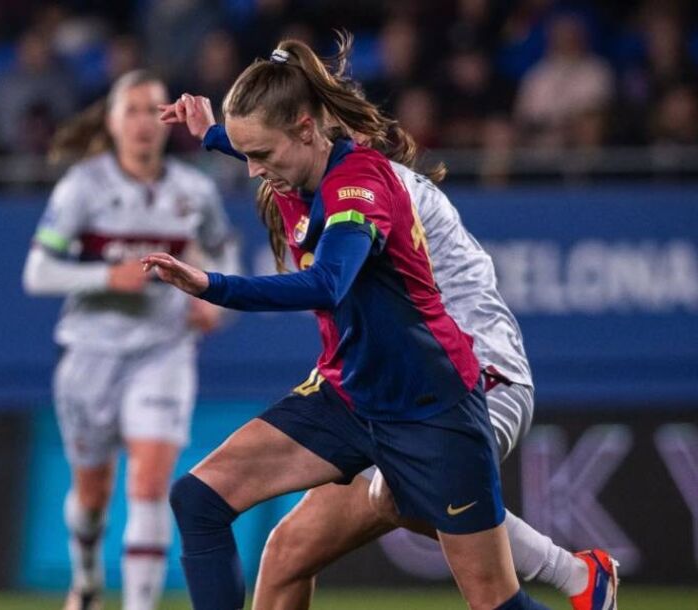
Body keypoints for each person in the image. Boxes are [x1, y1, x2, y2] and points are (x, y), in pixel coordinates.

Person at [160, 90, 619, 609]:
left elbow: (328, 282)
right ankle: (576, 576)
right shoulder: (303, 169)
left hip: (466, 376)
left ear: (310, 132)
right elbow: (268, 153)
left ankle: (573, 575)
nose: (259, 173)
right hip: (361, 387)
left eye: (263, 156)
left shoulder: (361, 188)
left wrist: (213, 285)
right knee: (282, 550)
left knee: (398, 496)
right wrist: (211, 134)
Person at [22, 70, 240, 610]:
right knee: (92, 497)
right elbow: (37, 271)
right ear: (113, 122)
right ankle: (89, 579)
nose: (144, 122)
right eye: (132, 111)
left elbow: (226, 253)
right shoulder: (83, 187)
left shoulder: (194, 192)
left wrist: (215, 300)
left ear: (168, 122)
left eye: (153, 110)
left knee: (148, 483)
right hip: (90, 354)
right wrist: (103, 276)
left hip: (164, 349)